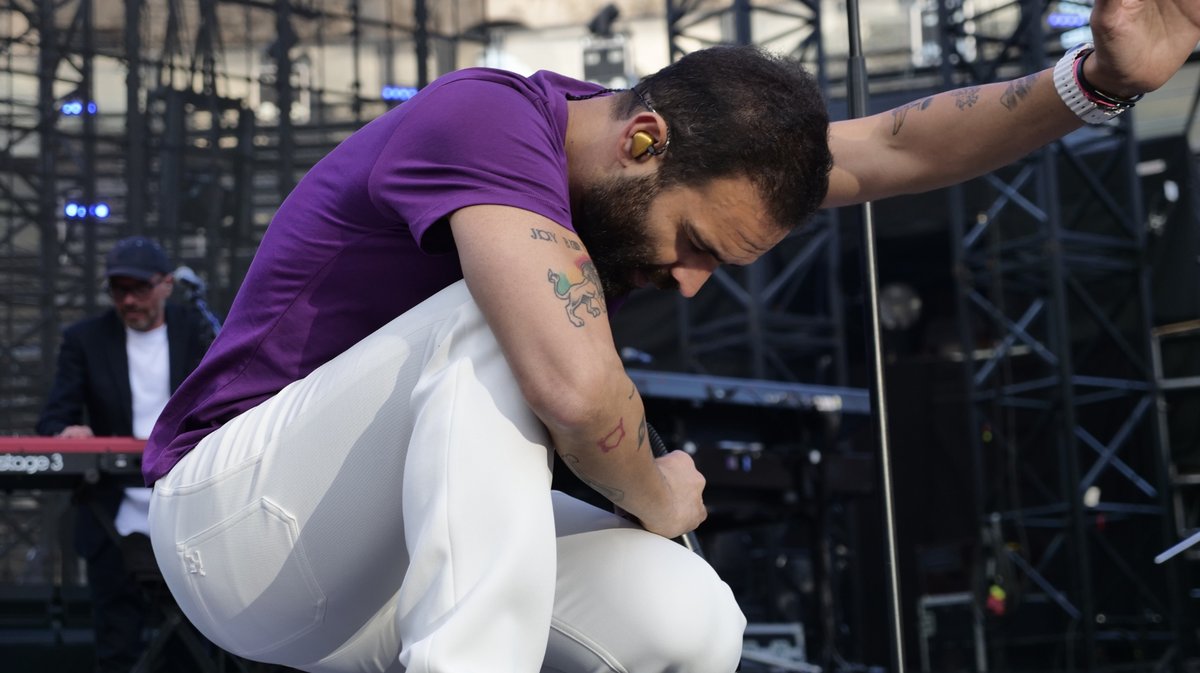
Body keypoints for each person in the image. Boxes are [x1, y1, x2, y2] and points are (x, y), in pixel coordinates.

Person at [143, 1, 1199, 671]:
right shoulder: (483, 119)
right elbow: (570, 385)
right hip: (233, 531)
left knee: (691, 620)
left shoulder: (705, 153)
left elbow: (889, 148)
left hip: (364, 585)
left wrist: (1095, 84)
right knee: (516, 319)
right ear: (641, 139)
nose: (690, 283)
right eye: (694, 242)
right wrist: (657, 491)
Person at [37, 236, 214, 672]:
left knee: (193, 647)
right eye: (119, 290)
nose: (129, 300)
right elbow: (53, 416)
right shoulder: (85, 339)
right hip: (113, 512)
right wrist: (68, 431)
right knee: (117, 641)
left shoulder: (196, 329)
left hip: (188, 507)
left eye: (139, 288)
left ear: (166, 284)